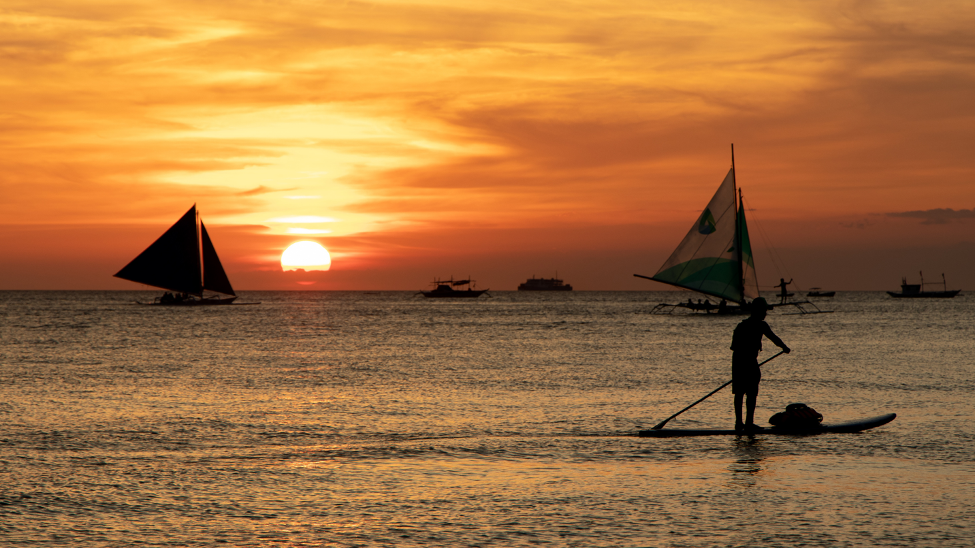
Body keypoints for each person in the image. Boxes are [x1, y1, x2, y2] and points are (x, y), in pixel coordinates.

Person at [730, 297, 790, 432]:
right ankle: (746, 424)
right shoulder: (760, 325)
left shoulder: (742, 326)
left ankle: (740, 424)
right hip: (747, 362)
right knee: (748, 393)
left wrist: (783, 347)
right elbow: (774, 338)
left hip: (739, 362)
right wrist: (785, 348)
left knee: (741, 393)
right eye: (764, 310)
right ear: (757, 311)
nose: (765, 313)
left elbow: (734, 347)